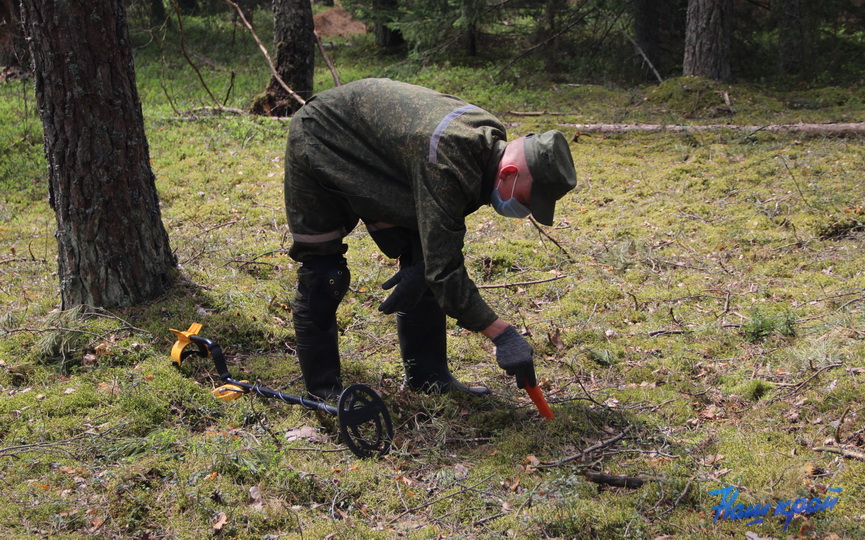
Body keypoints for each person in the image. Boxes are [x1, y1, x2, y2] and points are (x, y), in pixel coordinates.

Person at [284, 78, 577, 401]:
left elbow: (438, 251)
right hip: (322, 134)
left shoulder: (486, 144)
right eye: (528, 199)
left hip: (384, 158)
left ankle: (429, 377)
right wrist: (503, 334)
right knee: (325, 276)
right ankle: (323, 392)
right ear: (508, 174)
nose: (526, 210)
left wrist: (425, 266)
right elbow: (445, 270)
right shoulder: (451, 156)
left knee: (423, 265)